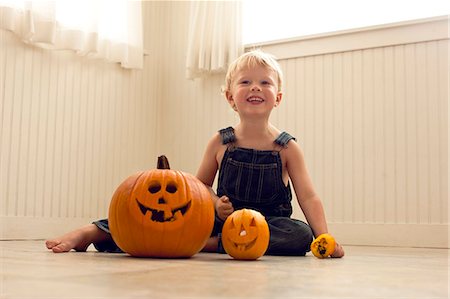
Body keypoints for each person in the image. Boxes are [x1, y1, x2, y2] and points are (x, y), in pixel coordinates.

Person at [46, 49, 344, 258]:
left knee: (299, 235)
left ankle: (211, 245)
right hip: (223, 222)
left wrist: (323, 237)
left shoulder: (286, 147)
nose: (255, 87)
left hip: (267, 224)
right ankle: (92, 232)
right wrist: (216, 204)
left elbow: (308, 197)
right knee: (160, 220)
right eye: (245, 82)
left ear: (277, 97)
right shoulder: (221, 141)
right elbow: (198, 188)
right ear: (230, 97)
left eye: (265, 82)